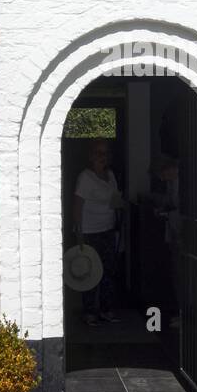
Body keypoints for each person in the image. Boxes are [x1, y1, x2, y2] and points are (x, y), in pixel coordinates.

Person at [73, 139, 124, 326]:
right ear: (91, 156)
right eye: (98, 153)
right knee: (90, 272)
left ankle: (106, 309)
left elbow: (115, 200)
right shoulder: (85, 177)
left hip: (108, 229)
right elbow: (77, 205)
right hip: (89, 231)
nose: (102, 157)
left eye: (106, 153)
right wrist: (78, 233)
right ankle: (89, 312)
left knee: (108, 271)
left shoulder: (110, 176)